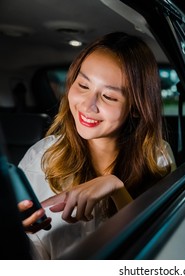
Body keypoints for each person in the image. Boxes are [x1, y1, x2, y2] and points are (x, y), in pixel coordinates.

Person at [16, 32, 176, 259]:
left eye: (109, 97)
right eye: (82, 85)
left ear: (135, 107)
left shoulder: (157, 156)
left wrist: (116, 188)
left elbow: (159, 251)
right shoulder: (41, 157)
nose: (88, 105)